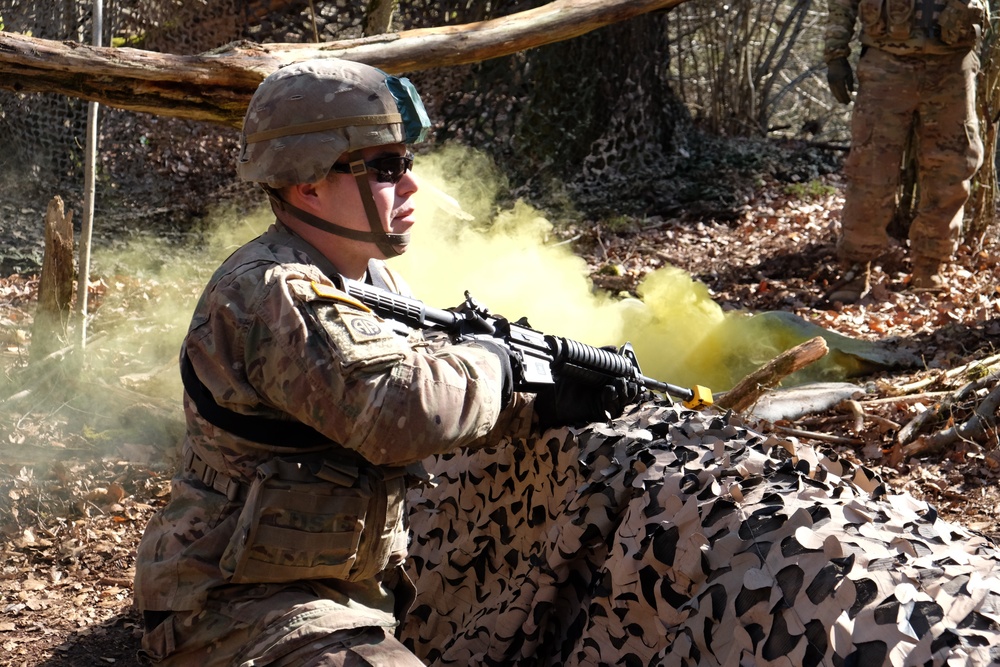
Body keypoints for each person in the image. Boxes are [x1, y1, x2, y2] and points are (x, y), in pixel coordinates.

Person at [132, 58, 640, 666]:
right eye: (386, 168)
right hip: (235, 609)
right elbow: (400, 410)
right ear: (308, 183)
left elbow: (435, 381)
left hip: (338, 597)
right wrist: (498, 365)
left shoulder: (369, 282)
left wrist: (543, 398)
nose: (411, 185)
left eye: (407, 162)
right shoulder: (275, 292)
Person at [824, 0, 988, 303]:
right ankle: (856, 268)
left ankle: (930, 267)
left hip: (952, 64)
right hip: (886, 62)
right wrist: (836, 54)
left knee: (950, 169)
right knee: (870, 170)